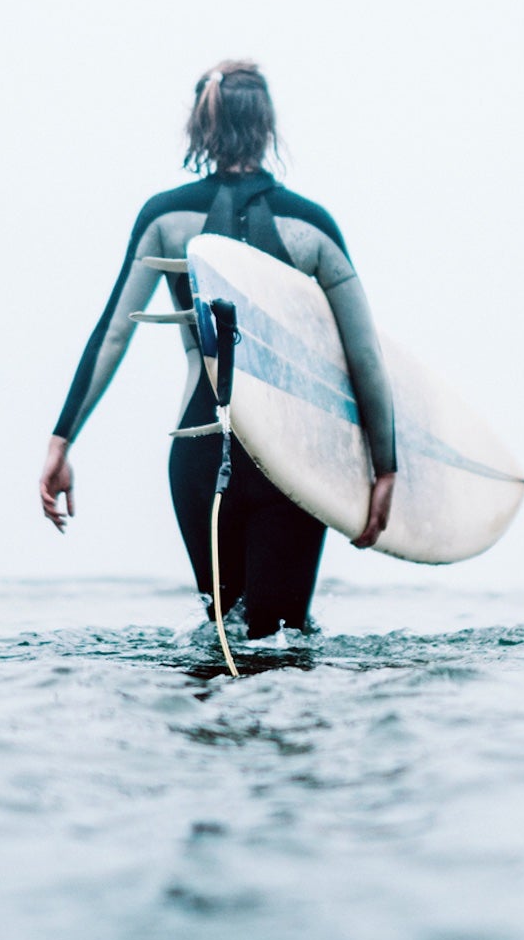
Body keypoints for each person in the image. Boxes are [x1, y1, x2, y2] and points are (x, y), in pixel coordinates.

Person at [38, 60, 398, 640]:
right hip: (295, 458)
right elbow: (366, 359)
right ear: (268, 127)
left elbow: (113, 333)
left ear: (199, 126)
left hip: (202, 451)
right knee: (282, 639)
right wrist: (385, 468)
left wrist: (62, 441)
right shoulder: (313, 228)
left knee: (222, 639)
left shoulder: (166, 219)